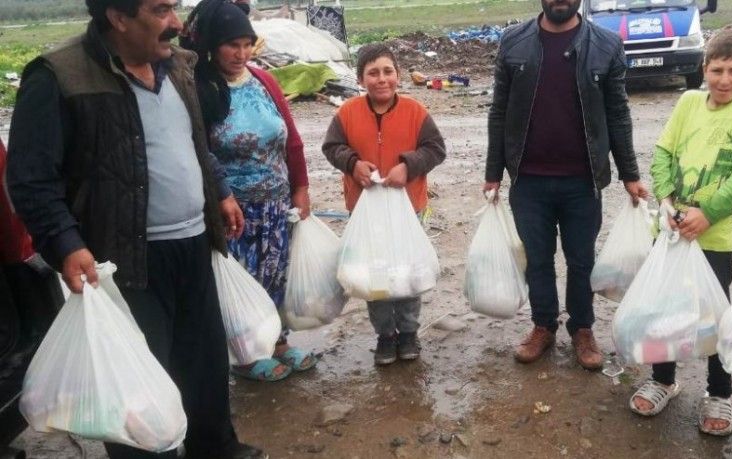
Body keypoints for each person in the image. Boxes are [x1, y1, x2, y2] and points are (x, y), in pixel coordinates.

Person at [5, 0, 265, 457]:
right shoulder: (59, 77)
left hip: (193, 243)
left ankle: (215, 447)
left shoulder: (179, 67)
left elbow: (194, 142)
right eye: (161, 10)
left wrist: (219, 190)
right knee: (137, 381)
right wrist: (66, 244)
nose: (177, 24)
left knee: (203, 360)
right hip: (122, 259)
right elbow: (30, 179)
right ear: (118, 17)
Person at [483, 0, 647, 371]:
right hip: (528, 180)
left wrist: (630, 174)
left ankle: (582, 328)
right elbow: (500, 110)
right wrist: (493, 171)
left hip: (582, 180)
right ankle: (543, 325)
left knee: (581, 259)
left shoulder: (606, 45)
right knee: (537, 260)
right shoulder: (513, 42)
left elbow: (618, 112)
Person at [631, 27, 732, 436]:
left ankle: (719, 392)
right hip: (672, 230)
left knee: (713, 315)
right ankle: (662, 379)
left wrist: (707, 214)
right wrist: (668, 198)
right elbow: (663, 152)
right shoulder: (689, 101)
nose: (724, 80)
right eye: (716, 70)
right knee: (665, 306)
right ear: (703, 68)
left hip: (714, 236)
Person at [182, 0, 316, 382]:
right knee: (244, 281)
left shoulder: (264, 81)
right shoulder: (200, 88)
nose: (241, 54)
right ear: (211, 45)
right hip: (232, 211)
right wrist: (219, 198)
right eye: (231, 45)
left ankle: (276, 342)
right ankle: (244, 355)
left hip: (275, 204)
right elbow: (197, 149)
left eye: (247, 44)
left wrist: (300, 188)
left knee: (275, 275)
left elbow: (291, 141)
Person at [322, 44, 446, 365]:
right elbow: (331, 147)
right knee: (375, 276)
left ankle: (408, 333)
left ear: (398, 75)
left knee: (407, 274)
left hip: (408, 209)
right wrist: (352, 164)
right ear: (361, 79)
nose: (381, 79)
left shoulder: (415, 112)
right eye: (372, 73)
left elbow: (435, 149)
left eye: (388, 71)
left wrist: (409, 165)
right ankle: (385, 336)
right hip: (365, 210)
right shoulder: (347, 113)